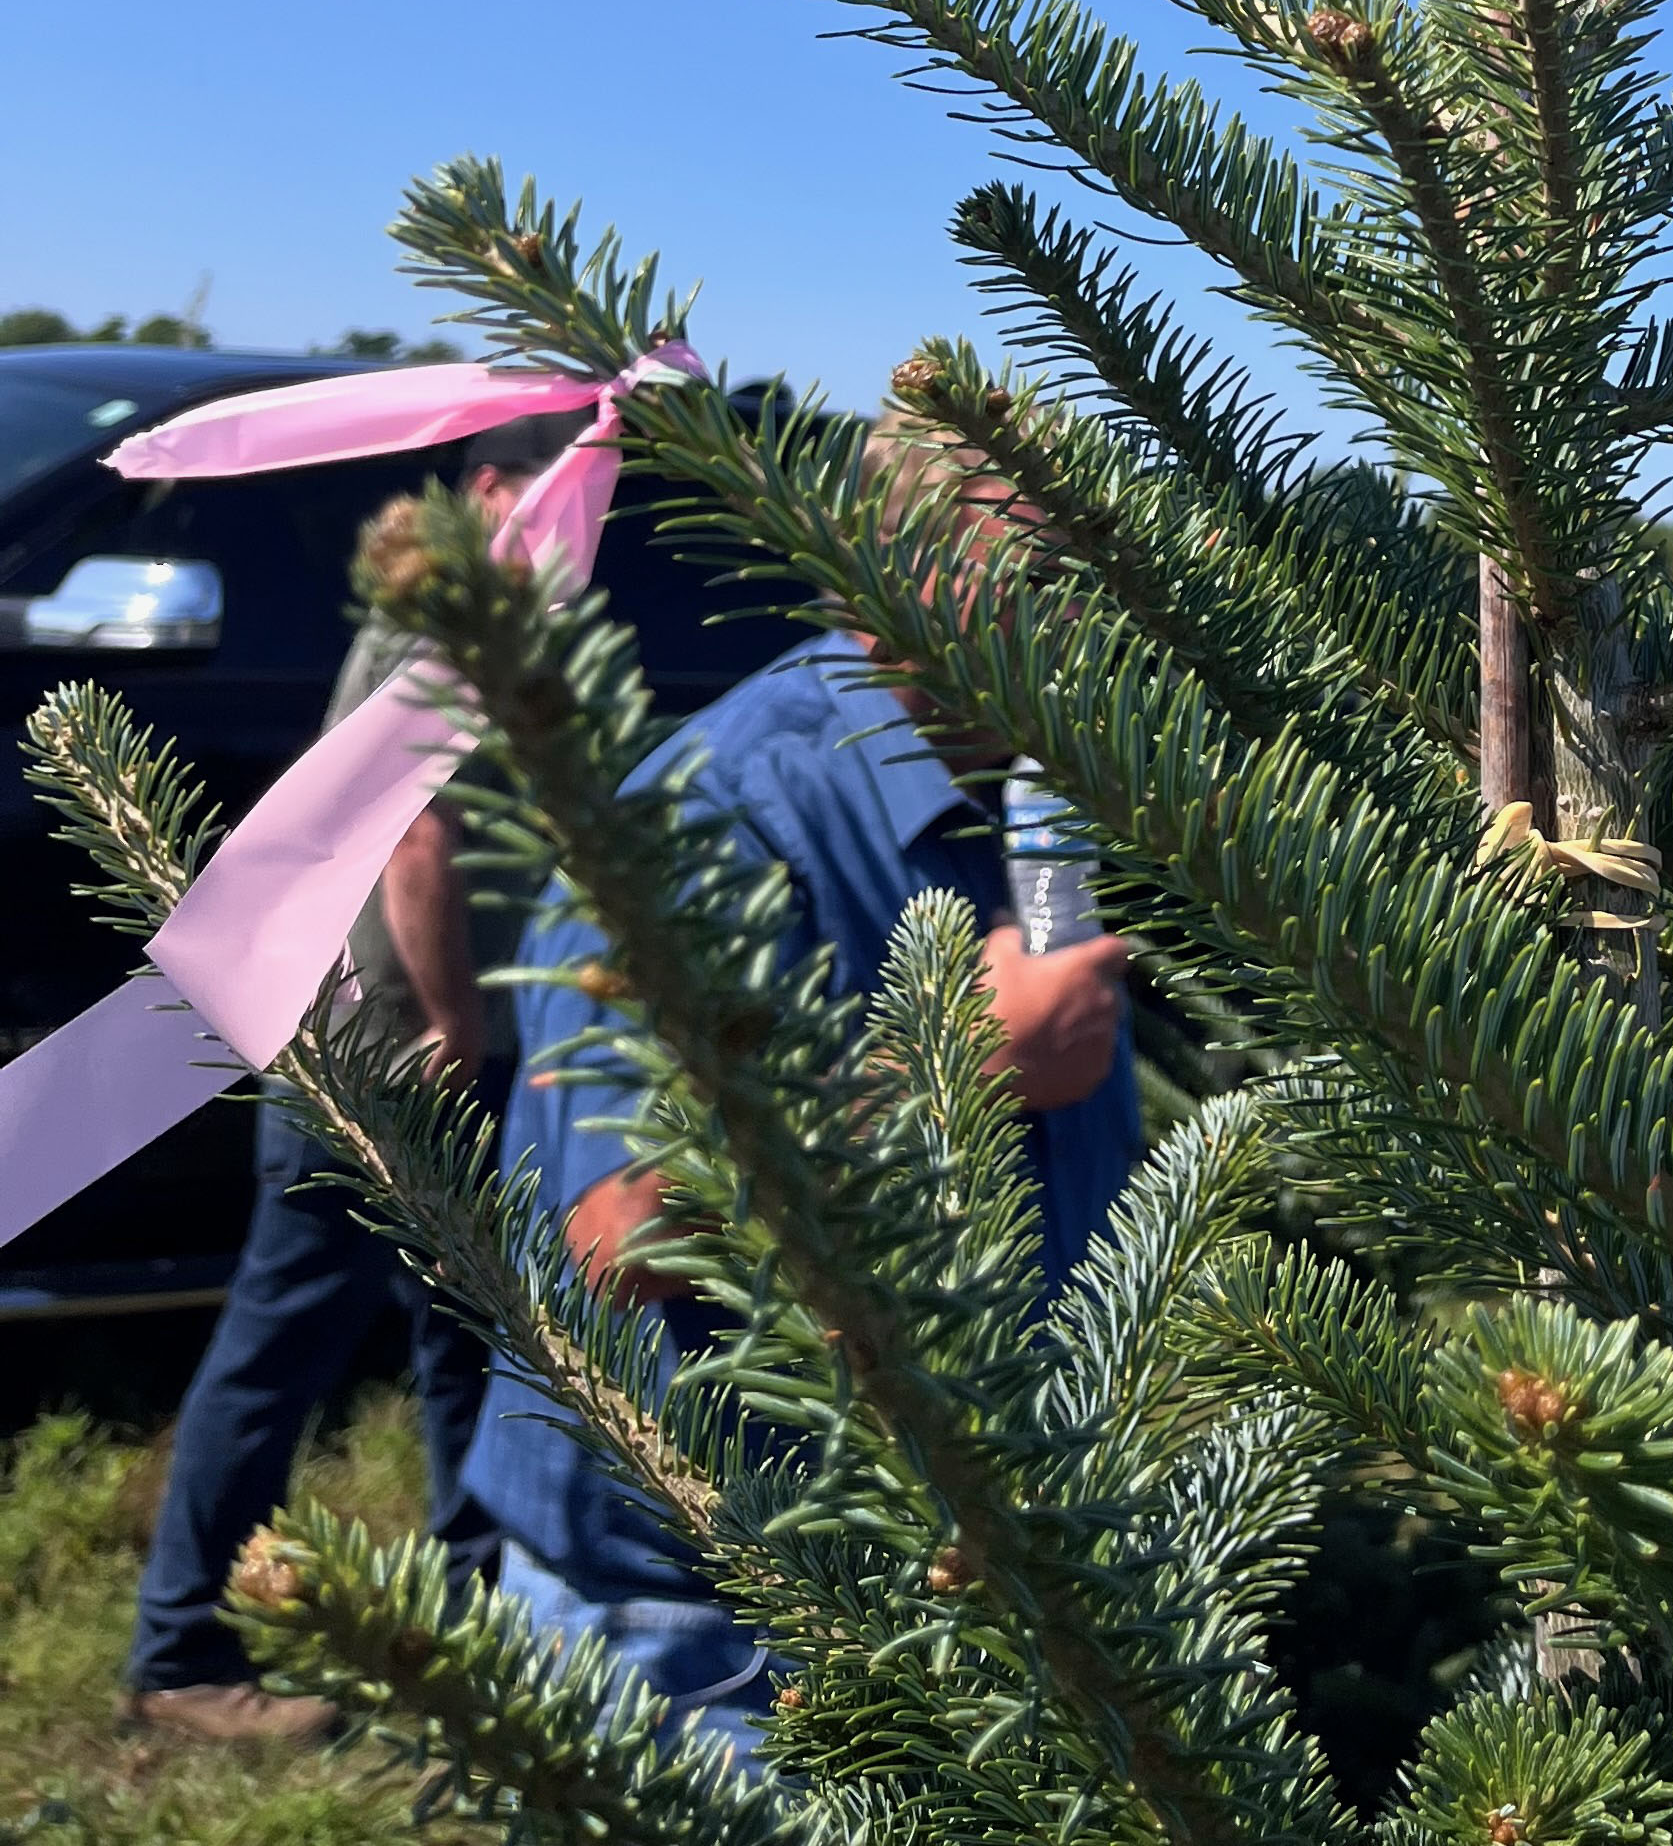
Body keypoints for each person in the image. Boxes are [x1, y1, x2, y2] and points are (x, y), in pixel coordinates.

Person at [464, 428, 1139, 1755]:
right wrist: (957, 1060)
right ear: (888, 563)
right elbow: (609, 1240)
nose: (1093, 626)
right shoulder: (716, 816)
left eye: (1100, 582)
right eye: (1046, 584)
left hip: (968, 1579)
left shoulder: (1028, 785)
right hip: (716, 1636)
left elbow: (1060, 970)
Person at [120, 493, 520, 1746]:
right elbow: (412, 823)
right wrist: (451, 1018)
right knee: (286, 1336)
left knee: (466, 1338)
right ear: (492, 485)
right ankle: (179, 1653)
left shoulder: (467, 604)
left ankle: (478, 1630)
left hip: (382, 1040)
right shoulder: (439, 613)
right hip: (382, 1055)